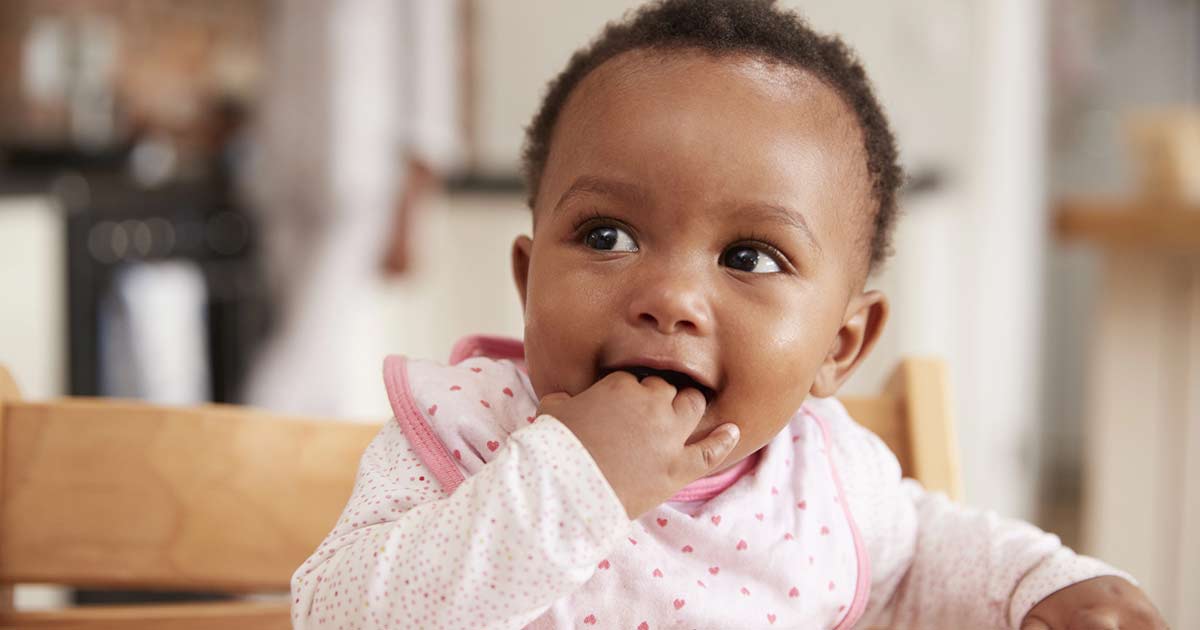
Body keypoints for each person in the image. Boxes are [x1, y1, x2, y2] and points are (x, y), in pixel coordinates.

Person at [290, 1, 1167, 628]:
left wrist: (1044, 585)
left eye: (749, 257)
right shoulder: (465, 435)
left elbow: (931, 554)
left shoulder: (821, 482)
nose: (669, 297)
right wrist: (571, 480)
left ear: (841, 345)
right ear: (527, 283)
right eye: (606, 235)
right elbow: (336, 615)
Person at [243, 0, 459, 418]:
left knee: (299, 353)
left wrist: (411, 209)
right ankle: (313, 473)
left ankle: (238, 452)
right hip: (284, 169)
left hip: (359, 173)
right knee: (328, 354)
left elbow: (431, 73)